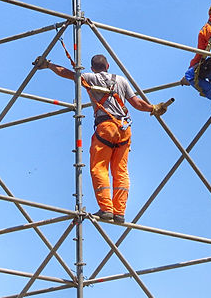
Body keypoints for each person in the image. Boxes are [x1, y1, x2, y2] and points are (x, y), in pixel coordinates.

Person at [34, 53, 170, 224]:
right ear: (108, 66)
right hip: (124, 128)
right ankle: (119, 212)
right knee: (120, 171)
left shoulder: (90, 77)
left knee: (99, 168)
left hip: (106, 128)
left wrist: (48, 65)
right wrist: (153, 108)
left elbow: (67, 73)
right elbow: (137, 103)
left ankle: (106, 209)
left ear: (92, 68)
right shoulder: (121, 80)